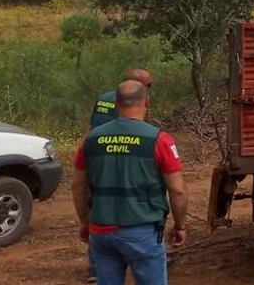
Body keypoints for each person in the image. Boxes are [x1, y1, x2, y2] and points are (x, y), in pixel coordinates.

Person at [72, 80, 188, 285]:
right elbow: (177, 190)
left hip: (101, 230)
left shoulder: (90, 140)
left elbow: (78, 186)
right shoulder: (159, 140)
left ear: (116, 103)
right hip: (141, 230)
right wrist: (180, 226)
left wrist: (85, 222)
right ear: (147, 102)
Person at [85, 68, 154, 282]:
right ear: (141, 86)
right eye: (149, 86)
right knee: (129, 208)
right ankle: (143, 256)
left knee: (98, 209)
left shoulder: (105, 98)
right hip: (122, 155)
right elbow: (133, 128)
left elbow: (90, 126)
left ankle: (96, 268)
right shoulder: (133, 101)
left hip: (96, 155)